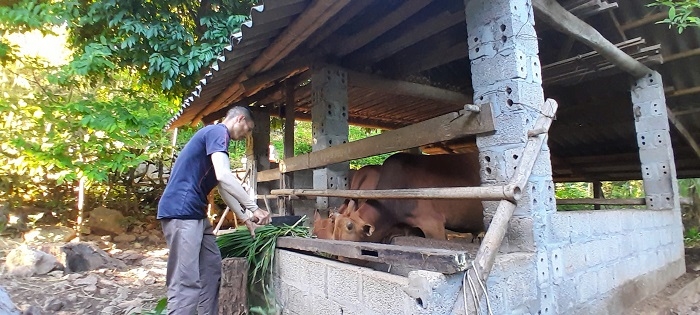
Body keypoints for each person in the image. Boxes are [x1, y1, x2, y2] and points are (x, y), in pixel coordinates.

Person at [157, 106, 271, 315]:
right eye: (248, 129)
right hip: (182, 213)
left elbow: (223, 187)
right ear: (239, 119)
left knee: (210, 269)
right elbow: (224, 176)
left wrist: (246, 218)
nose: (246, 135)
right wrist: (254, 207)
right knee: (185, 281)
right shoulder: (217, 132)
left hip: (196, 215)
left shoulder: (216, 139)